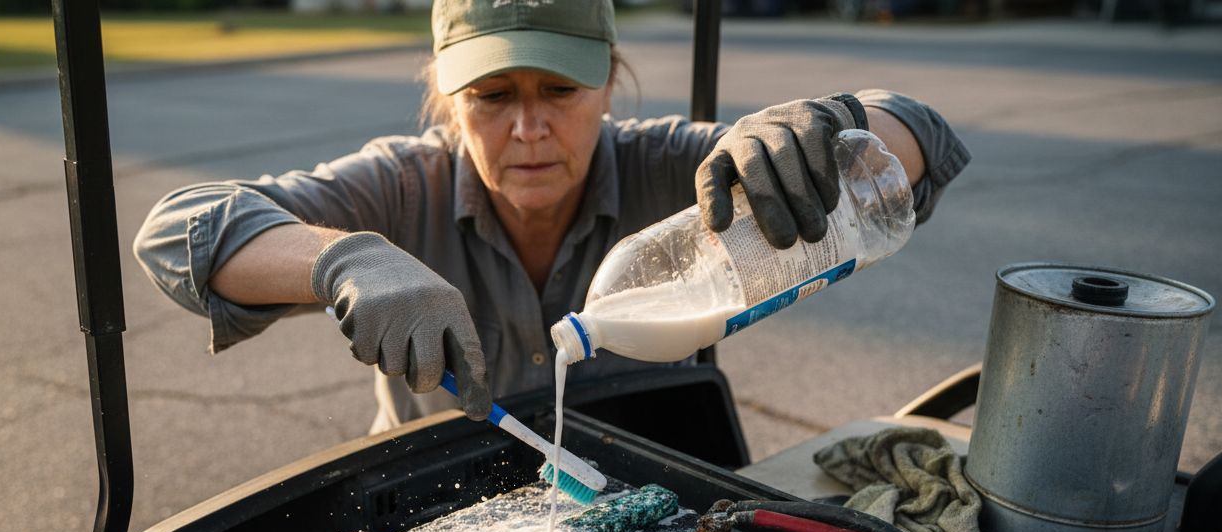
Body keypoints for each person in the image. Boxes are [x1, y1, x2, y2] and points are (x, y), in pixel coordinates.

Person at [133, 0, 969, 435]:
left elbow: (922, 131)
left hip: (656, 484)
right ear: (446, 100)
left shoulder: (678, 168)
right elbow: (181, 229)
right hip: (431, 487)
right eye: (492, 98)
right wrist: (339, 260)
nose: (528, 129)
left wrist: (828, 125)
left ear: (610, 80)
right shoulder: (398, 188)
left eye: (560, 92)